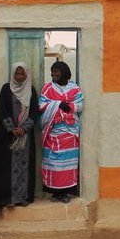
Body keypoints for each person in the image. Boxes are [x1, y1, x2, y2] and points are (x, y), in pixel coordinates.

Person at [0, 63, 39, 209]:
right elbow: (2, 109)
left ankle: (23, 197)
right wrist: (12, 129)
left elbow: (34, 112)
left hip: (25, 138)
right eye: (16, 74)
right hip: (8, 136)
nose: (19, 77)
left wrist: (24, 129)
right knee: (5, 167)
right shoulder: (6, 89)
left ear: (27, 75)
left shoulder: (31, 91)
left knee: (25, 167)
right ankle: (8, 198)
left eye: (22, 74)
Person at [40, 61, 83, 203]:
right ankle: (55, 193)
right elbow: (41, 105)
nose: (53, 74)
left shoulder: (74, 88)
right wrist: (58, 104)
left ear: (64, 72)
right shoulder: (47, 88)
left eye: (56, 71)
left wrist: (69, 106)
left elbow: (80, 105)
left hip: (70, 132)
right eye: (52, 71)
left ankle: (65, 193)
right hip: (53, 131)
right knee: (52, 162)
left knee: (68, 163)